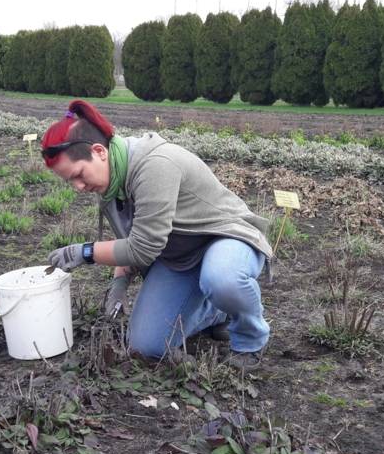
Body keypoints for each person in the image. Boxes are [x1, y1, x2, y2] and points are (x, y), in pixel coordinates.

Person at [42, 100, 273, 369]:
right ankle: (216, 312)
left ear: (99, 151)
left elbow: (143, 248)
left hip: (225, 238)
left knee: (223, 277)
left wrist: (85, 252)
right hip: (181, 257)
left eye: (78, 175)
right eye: (70, 180)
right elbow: (129, 241)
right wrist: (119, 286)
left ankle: (249, 338)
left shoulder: (154, 165)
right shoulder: (111, 185)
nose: (78, 186)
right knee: (146, 346)